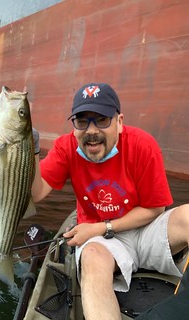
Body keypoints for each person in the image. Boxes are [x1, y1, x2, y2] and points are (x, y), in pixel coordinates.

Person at [31, 82, 189, 320]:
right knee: (92, 258)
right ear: (74, 125)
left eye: (102, 119)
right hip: (102, 244)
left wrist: (100, 227)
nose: (91, 130)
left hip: (144, 230)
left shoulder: (143, 145)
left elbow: (156, 208)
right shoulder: (66, 147)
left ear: (120, 121)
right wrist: (29, 152)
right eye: (82, 121)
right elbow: (36, 193)